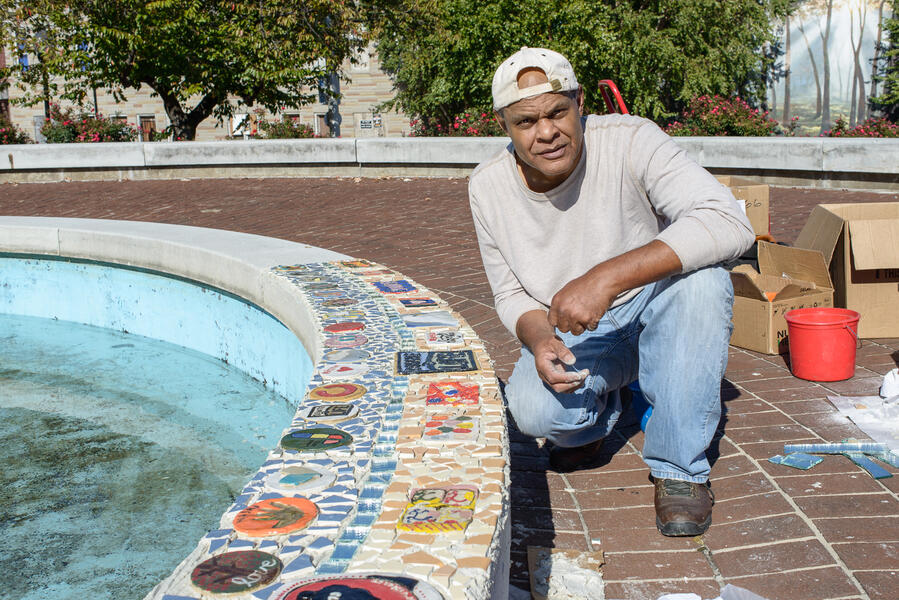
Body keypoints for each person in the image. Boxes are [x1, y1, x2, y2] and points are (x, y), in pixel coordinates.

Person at [468, 47, 754, 536]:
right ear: (505, 126)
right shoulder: (486, 187)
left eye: (558, 112)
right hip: (580, 330)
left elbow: (730, 220)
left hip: (655, 302)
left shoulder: (631, 139)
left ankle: (679, 469)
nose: (546, 133)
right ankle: (602, 416)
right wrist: (539, 342)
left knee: (706, 278)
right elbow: (511, 293)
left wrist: (605, 278)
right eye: (526, 122)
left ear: (579, 103)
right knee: (535, 413)